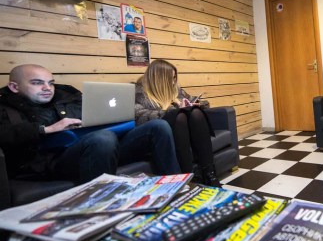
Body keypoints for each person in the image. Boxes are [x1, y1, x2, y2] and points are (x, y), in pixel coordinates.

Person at [0, 65, 181, 184]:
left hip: (101, 148)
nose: (47, 88)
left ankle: (175, 184)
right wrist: (45, 129)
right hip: (53, 161)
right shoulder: (6, 107)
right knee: (103, 138)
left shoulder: (68, 96)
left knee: (158, 126)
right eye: (37, 83)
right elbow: (6, 134)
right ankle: (104, 203)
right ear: (14, 87)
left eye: (50, 83)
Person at [134, 59, 220, 187]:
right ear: (158, 78)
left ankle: (210, 174)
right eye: (170, 78)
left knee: (196, 112)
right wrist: (174, 111)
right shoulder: (139, 92)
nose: (173, 82)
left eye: (174, 78)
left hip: (184, 130)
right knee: (180, 116)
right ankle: (188, 176)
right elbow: (140, 117)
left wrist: (197, 104)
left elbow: (202, 102)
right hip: (163, 132)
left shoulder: (176, 90)